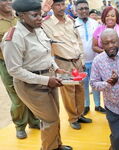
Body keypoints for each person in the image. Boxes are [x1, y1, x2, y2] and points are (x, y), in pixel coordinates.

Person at [2, 0, 71, 149]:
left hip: (49, 78)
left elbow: (46, 54)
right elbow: (14, 70)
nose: (40, 18)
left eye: (40, 14)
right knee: (50, 119)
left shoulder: (38, 29)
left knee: (54, 117)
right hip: (30, 85)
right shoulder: (14, 37)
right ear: (21, 15)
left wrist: (56, 68)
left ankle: (56, 145)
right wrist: (46, 80)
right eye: (35, 15)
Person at [42, 0, 92, 130]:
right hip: (63, 62)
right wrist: (44, 10)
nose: (61, 7)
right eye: (57, 5)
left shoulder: (71, 20)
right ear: (52, 7)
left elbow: (78, 41)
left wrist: (82, 59)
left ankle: (80, 114)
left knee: (80, 89)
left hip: (77, 61)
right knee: (68, 92)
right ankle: (73, 118)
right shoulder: (46, 23)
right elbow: (34, 24)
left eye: (62, 4)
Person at [0, 0, 40, 139]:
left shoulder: (20, 16)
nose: (8, 2)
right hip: (7, 64)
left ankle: (34, 121)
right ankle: (20, 126)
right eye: (4, 0)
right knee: (17, 99)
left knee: (30, 92)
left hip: (27, 62)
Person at [74, 0, 105, 115]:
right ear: (76, 11)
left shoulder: (95, 23)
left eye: (86, 8)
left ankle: (97, 105)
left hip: (95, 60)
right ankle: (86, 105)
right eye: (81, 8)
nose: (84, 11)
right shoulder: (73, 24)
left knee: (96, 83)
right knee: (84, 85)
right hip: (81, 62)